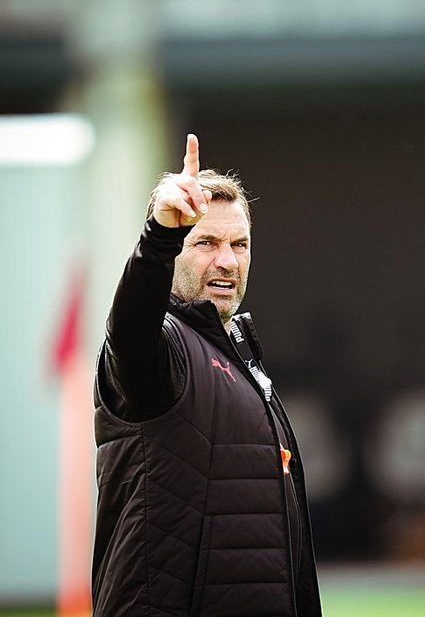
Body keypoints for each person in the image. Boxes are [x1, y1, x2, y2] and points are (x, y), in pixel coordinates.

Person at [92, 134, 322, 616]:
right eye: (206, 243)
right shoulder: (162, 347)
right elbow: (130, 326)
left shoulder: (237, 352)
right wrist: (159, 236)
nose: (228, 261)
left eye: (239, 244)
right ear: (173, 252)